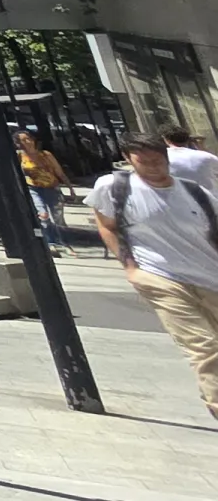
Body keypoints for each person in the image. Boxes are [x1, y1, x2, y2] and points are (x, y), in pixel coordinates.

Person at [92, 134, 218, 421]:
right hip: (159, 276)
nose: (152, 167)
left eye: (157, 161)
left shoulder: (195, 192)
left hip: (209, 273)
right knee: (203, 344)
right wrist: (130, 268)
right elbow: (107, 225)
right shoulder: (114, 187)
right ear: (128, 159)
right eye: (143, 162)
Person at [16, 129, 69, 251]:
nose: (27, 142)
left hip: (52, 187)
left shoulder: (45, 155)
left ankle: (64, 243)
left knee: (58, 218)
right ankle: (50, 243)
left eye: (28, 139)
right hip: (34, 189)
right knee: (43, 215)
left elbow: (59, 171)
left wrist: (69, 188)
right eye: (22, 140)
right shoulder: (19, 156)